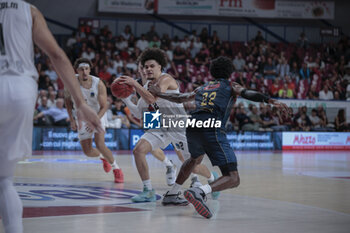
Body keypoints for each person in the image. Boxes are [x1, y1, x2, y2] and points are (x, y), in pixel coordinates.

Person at [0, 1, 102, 233]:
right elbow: (56, 54)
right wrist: (80, 103)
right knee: (4, 180)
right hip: (20, 88)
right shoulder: (29, 10)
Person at [149, 56, 289, 218]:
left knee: (194, 159)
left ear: (212, 72)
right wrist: (269, 100)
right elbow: (246, 92)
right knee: (233, 177)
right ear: (230, 72)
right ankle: (200, 191)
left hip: (193, 124)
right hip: (212, 126)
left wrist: (160, 94)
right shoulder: (230, 85)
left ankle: (173, 193)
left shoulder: (202, 87)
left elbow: (180, 98)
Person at [119, 48, 218, 203]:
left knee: (193, 166)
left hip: (179, 126)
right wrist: (125, 99)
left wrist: (133, 84)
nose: (148, 69)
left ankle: (212, 178)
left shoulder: (166, 79)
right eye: (146, 67)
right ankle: (148, 190)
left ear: (160, 67)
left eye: (152, 66)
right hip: (160, 125)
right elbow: (138, 112)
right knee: (138, 150)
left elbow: (153, 98)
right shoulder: (145, 87)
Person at [65, 58, 124, 183]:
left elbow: (104, 106)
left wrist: (94, 122)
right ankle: (103, 157)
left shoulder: (98, 83)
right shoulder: (70, 82)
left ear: (90, 70)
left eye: (87, 69)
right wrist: (71, 119)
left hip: (98, 114)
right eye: (81, 69)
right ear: (77, 71)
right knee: (87, 151)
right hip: (81, 115)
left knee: (99, 144)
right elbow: (68, 102)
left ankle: (116, 169)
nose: (84, 72)